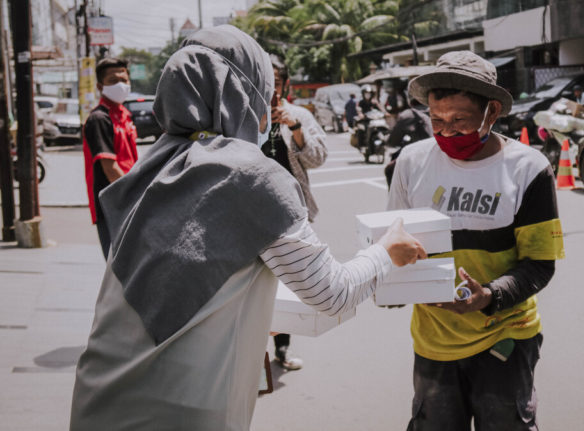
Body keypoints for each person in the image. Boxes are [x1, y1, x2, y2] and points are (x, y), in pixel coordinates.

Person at [69, 25, 426, 431]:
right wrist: (385, 251)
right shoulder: (251, 175)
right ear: (246, 95)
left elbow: (183, 280)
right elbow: (332, 293)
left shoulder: (155, 164)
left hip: (98, 397)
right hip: (180, 409)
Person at [388, 51, 565, 431]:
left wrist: (489, 296)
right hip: (433, 342)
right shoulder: (411, 162)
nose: (446, 132)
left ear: (492, 111)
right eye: (436, 120)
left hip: (505, 337)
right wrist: (389, 284)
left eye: (459, 121)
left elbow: (540, 263)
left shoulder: (528, 169)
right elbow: (393, 243)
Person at [263, 53, 328, 370]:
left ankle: (283, 349)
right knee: (255, 287)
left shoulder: (299, 114)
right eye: (263, 81)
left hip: (293, 215)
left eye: (275, 82)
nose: (270, 89)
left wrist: (296, 126)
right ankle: (254, 359)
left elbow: (317, 159)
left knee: (288, 285)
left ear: (285, 84)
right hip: (252, 216)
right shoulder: (243, 115)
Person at [82, 58, 138, 259]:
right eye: (113, 81)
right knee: (117, 267)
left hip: (128, 199)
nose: (121, 85)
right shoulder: (99, 119)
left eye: (124, 79)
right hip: (112, 204)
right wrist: (136, 194)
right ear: (100, 86)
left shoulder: (123, 114)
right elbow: (111, 169)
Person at [384, 99, 432, 187]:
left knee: (390, 170)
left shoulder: (408, 114)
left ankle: (396, 200)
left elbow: (393, 141)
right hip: (443, 154)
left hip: (421, 158)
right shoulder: (437, 110)